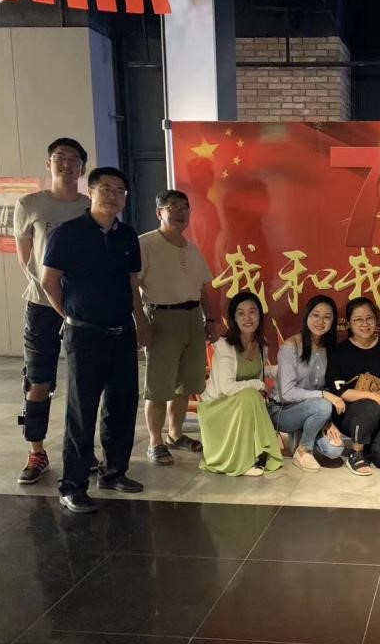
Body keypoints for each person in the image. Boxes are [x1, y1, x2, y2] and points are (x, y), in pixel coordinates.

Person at [41, 166, 148, 513]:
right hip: (84, 335)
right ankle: (72, 485)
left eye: (120, 191)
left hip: (121, 332)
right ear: (91, 192)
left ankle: (114, 472)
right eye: (106, 189)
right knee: (82, 410)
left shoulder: (127, 236)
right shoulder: (67, 234)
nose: (113, 196)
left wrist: (140, 322)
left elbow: (132, 285)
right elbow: (49, 282)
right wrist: (70, 315)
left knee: (122, 405)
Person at [13, 137, 90, 485]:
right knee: (38, 381)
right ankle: (36, 451)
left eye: (74, 159)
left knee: (85, 382)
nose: (66, 164)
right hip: (42, 305)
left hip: (82, 307)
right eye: (60, 157)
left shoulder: (88, 206)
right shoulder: (29, 204)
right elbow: (25, 257)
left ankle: (82, 450)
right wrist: (50, 289)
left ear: (82, 168)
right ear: (49, 164)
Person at [135, 189, 219, 466]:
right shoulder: (146, 244)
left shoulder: (190, 247)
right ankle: (155, 442)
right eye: (173, 207)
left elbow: (202, 288)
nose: (180, 213)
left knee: (186, 383)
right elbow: (132, 286)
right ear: (159, 212)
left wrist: (211, 319)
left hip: (192, 318)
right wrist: (141, 322)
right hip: (162, 318)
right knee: (159, 386)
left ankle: (175, 434)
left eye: (185, 207)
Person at [199, 292, 283, 477]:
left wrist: (283, 368)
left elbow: (259, 371)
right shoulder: (224, 345)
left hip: (241, 406)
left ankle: (256, 453)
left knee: (251, 396)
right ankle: (243, 462)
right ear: (233, 318)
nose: (247, 318)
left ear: (260, 316)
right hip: (217, 407)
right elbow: (227, 388)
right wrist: (259, 385)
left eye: (252, 312)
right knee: (250, 395)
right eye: (241, 313)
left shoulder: (261, 345)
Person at [325, 297, 380, 475]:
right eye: (358, 320)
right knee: (370, 405)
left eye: (369, 318)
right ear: (349, 323)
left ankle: (368, 443)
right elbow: (340, 391)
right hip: (349, 414)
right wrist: (374, 397)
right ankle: (356, 452)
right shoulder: (339, 352)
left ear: (376, 319)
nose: (365, 324)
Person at [268, 295, 346, 472]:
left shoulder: (330, 348)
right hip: (282, 411)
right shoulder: (291, 346)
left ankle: (304, 434)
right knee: (323, 405)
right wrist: (323, 396)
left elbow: (328, 386)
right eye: (315, 315)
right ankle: (303, 451)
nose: (320, 321)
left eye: (327, 317)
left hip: (313, 409)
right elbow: (287, 393)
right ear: (307, 316)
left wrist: (327, 421)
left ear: (333, 321)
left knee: (335, 450)